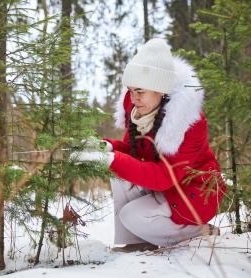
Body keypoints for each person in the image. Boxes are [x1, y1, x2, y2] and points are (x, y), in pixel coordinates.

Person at [72, 38, 226, 253]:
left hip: (193, 192)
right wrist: (104, 147)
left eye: (141, 91)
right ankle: (137, 242)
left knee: (130, 214)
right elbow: (132, 150)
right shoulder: (140, 112)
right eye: (131, 90)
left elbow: (165, 177)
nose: (134, 98)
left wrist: (112, 159)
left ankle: (196, 232)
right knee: (119, 173)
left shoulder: (188, 122)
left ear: (161, 89)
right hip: (167, 184)